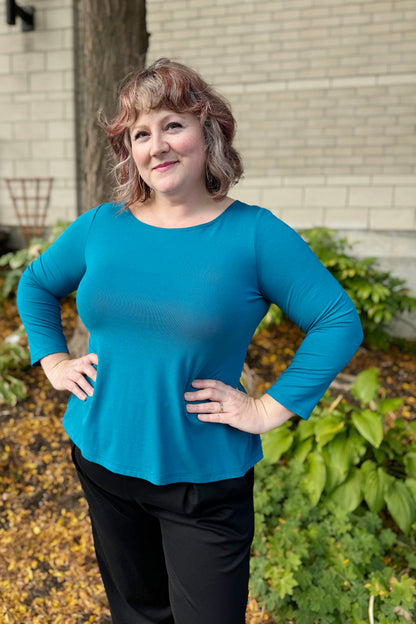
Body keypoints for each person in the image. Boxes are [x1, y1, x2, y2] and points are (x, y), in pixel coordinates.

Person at [17, 58, 363, 624]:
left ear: (209, 132)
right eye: (141, 133)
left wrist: (267, 408)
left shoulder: (253, 234)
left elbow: (337, 320)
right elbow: (36, 284)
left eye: (173, 124)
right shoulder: (102, 225)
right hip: (101, 459)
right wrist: (53, 358)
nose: (158, 145)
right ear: (130, 150)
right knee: (138, 612)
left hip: (203, 481)